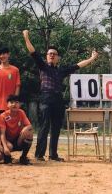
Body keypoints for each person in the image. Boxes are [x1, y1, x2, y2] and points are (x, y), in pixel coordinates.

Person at [22, 29, 99, 162]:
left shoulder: (62, 70)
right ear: (46, 56)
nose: (51, 55)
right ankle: (39, 155)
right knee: (44, 126)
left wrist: (92, 58)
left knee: (56, 127)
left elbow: (78, 65)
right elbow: (33, 52)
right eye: (49, 53)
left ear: (58, 57)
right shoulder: (42, 66)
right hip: (45, 98)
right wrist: (26, 37)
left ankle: (53, 154)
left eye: (54, 54)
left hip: (58, 99)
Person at [0, 95, 34, 165]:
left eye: (16, 102)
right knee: (9, 147)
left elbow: (30, 125)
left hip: (18, 140)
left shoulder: (21, 112)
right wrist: (5, 147)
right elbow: (2, 134)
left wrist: (26, 128)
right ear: (7, 104)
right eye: (11, 102)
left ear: (20, 104)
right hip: (8, 141)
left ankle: (23, 157)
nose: (14, 104)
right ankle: (7, 158)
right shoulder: (3, 116)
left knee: (29, 132)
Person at [0, 46, 21, 114]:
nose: (2, 56)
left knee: (10, 124)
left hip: (10, 104)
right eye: (0, 54)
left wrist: (15, 101)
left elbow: (17, 86)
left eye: (4, 54)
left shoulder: (15, 70)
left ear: (8, 54)